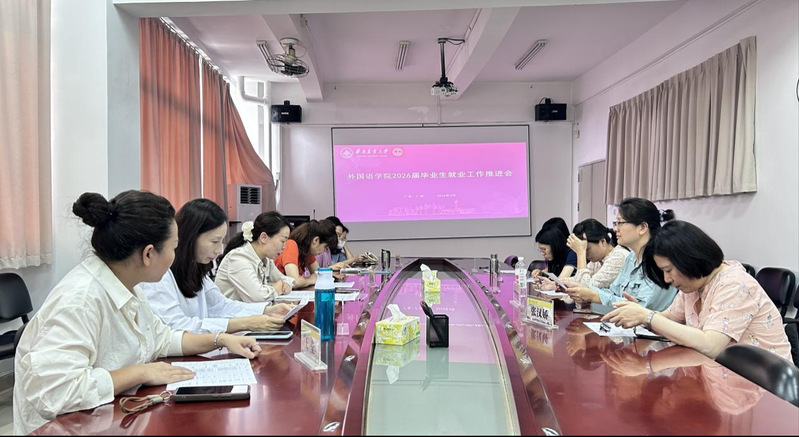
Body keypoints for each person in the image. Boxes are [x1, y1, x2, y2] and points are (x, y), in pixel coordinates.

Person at [13, 191, 261, 435]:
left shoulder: (128, 288)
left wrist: (220, 339)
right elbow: (57, 392)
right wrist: (141, 371)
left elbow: (163, 338)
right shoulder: (80, 300)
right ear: (148, 254)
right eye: (174, 247)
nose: (175, 256)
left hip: (112, 417)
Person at [601, 220, 791, 361]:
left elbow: (711, 345)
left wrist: (647, 317)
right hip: (720, 374)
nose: (667, 279)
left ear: (688, 259)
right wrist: (640, 314)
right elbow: (670, 317)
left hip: (764, 385)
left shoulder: (735, 284)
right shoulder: (694, 285)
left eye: (668, 270)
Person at [140, 199, 293, 333]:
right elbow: (175, 327)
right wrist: (244, 323)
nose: (219, 250)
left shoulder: (195, 268)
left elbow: (220, 305)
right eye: (214, 241)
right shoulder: (160, 274)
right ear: (191, 237)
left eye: (221, 241)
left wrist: (266, 310)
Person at [564, 197, 678, 311]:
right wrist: (583, 290)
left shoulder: (659, 260)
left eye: (620, 223)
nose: (615, 229)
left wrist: (594, 295)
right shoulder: (631, 258)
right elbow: (613, 292)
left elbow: (643, 308)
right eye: (616, 223)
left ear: (643, 228)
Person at [215, 211, 294, 302]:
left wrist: (284, 285)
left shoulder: (266, 260)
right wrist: (276, 288)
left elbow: (287, 280)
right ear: (263, 237)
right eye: (283, 241)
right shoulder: (238, 258)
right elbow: (257, 297)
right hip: (231, 311)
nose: (284, 247)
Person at [274, 219, 338, 289]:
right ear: (316, 240)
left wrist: (329, 271)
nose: (324, 251)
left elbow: (319, 276)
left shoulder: (307, 251)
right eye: (325, 247)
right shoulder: (291, 245)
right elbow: (294, 282)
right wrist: (311, 279)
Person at [566, 218, 629, 288]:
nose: (585, 254)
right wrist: (562, 282)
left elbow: (586, 288)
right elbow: (579, 279)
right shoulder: (598, 260)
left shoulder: (618, 257)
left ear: (602, 242)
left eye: (587, 249)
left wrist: (580, 253)